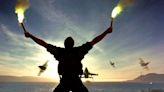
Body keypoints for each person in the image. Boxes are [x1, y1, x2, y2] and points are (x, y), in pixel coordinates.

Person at [24, 21, 113, 92]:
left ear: (64, 44)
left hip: (65, 82)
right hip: (76, 82)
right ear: (73, 44)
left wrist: (30, 36)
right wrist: (107, 32)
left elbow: (43, 44)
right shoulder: (79, 51)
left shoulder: (60, 52)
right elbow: (95, 40)